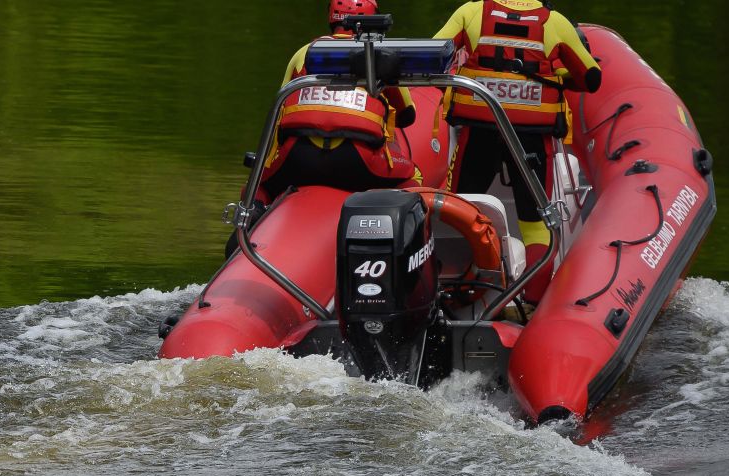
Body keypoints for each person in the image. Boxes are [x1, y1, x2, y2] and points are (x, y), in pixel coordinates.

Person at [434, 0, 601, 303]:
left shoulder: (471, 12)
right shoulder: (554, 22)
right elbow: (591, 78)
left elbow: (432, 56)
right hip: (531, 137)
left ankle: (454, 295)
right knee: (536, 222)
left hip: (479, 128)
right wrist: (557, 74)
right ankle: (533, 303)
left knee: (458, 211)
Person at [256, 0, 420, 207]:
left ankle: (250, 222)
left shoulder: (304, 52)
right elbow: (408, 115)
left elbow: (279, 110)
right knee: (412, 175)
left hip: (298, 155)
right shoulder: (380, 53)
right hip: (356, 160)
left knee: (257, 182)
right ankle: (406, 234)